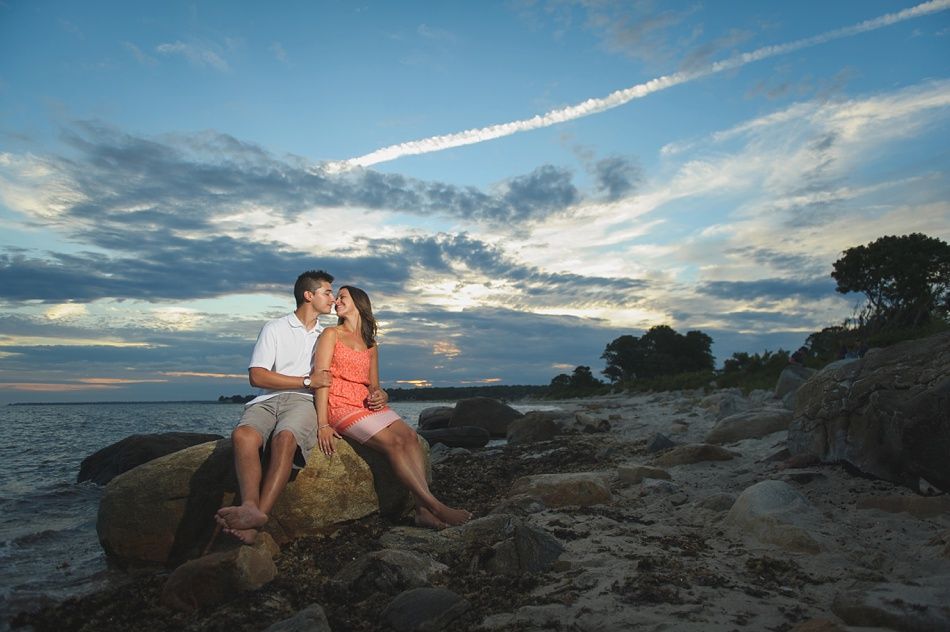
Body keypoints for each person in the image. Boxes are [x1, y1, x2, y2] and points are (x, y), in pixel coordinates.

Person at [214, 270, 387, 543]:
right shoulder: (275, 328)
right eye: (327, 292)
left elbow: (353, 374)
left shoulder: (327, 334)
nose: (333, 299)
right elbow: (257, 376)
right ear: (309, 295)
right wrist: (307, 379)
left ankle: (259, 515)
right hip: (266, 399)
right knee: (243, 435)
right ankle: (249, 506)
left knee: (285, 438)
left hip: (303, 401)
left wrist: (375, 395)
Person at [311, 285, 471, 529]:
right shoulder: (331, 334)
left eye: (342, 297)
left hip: (366, 403)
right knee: (393, 444)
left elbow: (375, 385)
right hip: (340, 404)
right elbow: (320, 378)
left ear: (359, 303)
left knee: (410, 437)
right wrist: (323, 423)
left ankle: (421, 511)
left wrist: (381, 396)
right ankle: (434, 505)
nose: (336, 301)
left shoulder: (371, 344)